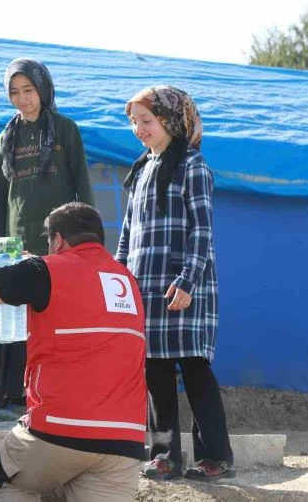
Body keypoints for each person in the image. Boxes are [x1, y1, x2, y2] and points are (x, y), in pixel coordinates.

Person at [0, 202, 147, 502]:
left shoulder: (43, 271)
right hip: (126, 443)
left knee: (5, 475)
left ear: (57, 239)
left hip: (59, 432)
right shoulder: (128, 280)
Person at [116, 85, 234, 481]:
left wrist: (187, 280)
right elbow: (127, 234)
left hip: (185, 289)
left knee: (196, 372)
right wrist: (118, 280)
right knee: (156, 373)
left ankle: (215, 458)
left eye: (146, 120)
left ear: (169, 119)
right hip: (145, 289)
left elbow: (202, 231)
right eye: (133, 121)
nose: (138, 128)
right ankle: (165, 456)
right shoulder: (141, 170)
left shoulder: (193, 166)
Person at [0, 57, 94, 409]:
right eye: (14, 92)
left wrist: (87, 239)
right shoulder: (5, 139)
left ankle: (59, 392)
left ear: (43, 89)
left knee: (56, 317)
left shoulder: (65, 130)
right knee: (18, 322)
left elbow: (83, 188)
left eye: (28, 90)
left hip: (61, 245)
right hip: (18, 245)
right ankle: (16, 394)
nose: (22, 99)